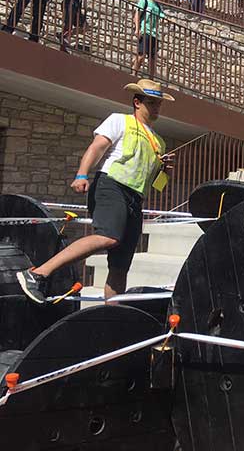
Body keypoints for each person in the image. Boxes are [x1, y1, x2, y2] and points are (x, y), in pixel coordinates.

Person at [16, 79, 175, 303]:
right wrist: (82, 174)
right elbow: (97, 147)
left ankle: (113, 317)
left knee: (120, 266)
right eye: (152, 102)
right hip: (112, 186)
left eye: (159, 103)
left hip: (135, 198)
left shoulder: (159, 142)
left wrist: (164, 170)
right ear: (137, 102)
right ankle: (37, 273)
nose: (157, 107)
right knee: (108, 237)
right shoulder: (120, 121)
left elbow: (158, 184)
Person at [132, 0, 167, 75]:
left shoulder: (158, 6)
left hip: (154, 34)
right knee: (141, 56)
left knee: (152, 60)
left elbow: (163, 18)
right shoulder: (144, 1)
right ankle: (134, 73)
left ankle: (151, 80)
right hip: (145, 32)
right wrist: (137, 29)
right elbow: (137, 15)